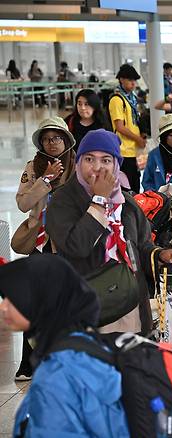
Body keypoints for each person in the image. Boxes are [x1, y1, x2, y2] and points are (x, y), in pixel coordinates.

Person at [46, 129, 172, 334]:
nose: (97, 168)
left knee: (129, 361)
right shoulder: (62, 201)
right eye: (90, 159)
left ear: (116, 165)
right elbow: (77, 247)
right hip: (88, 307)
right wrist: (99, 201)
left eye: (106, 160)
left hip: (129, 305)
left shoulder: (126, 203)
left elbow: (141, 246)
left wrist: (159, 254)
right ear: (78, 162)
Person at [0, 254, 130, 437]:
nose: (3, 307)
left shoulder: (56, 376)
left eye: (14, 298)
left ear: (43, 300)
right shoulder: (84, 346)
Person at [10, 117, 76, 382]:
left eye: (57, 138)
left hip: (68, 242)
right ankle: (28, 361)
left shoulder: (77, 166)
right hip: (39, 241)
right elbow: (23, 204)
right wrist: (45, 181)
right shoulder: (33, 167)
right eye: (47, 139)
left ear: (66, 140)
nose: (52, 143)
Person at [109, 64, 145, 193]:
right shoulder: (117, 100)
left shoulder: (132, 99)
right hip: (123, 150)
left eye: (134, 80)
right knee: (127, 187)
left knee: (135, 184)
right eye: (130, 80)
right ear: (122, 80)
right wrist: (138, 139)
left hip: (134, 149)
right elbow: (120, 127)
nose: (133, 83)